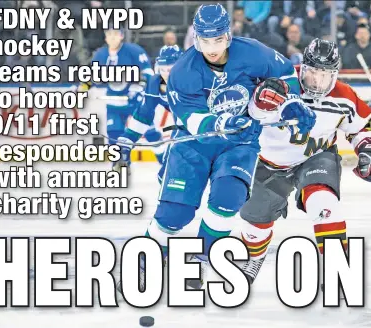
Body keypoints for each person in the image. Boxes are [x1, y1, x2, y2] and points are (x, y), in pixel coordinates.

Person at [119, 3, 316, 291]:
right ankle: (144, 259)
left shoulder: (252, 52)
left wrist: (292, 103)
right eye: (205, 41)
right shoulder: (183, 71)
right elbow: (191, 118)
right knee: (175, 214)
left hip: (239, 144)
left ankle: (198, 260)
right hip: (195, 146)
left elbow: (285, 73)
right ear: (196, 38)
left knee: (228, 198)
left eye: (218, 40)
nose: (212, 48)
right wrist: (221, 122)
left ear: (229, 35)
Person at [238, 38, 371, 287]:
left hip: (316, 158)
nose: (317, 81)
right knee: (256, 222)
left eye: (325, 76)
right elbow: (254, 111)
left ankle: (337, 267)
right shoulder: (283, 85)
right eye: (312, 72)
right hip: (268, 162)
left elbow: (365, 123)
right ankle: (254, 255)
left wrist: (369, 149)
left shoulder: (344, 96)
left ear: (335, 75)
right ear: (302, 68)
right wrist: (260, 102)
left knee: (324, 203)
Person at [113, 45, 184, 171]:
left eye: (171, 69)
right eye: (163, 70)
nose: (166, 75)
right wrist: (127, 142)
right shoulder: (154, 83)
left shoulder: (194, 82)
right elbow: (143, 116)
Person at [78, 28, 154, 143]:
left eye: (115, 34)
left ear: (121, 36)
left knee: (151, 134)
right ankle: (120, 160)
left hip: (135, 101)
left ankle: (165, 158)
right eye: (109, 34)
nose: (112, 37)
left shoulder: (134, 51)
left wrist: (139, 88)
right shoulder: (101, 55)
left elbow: (148, 73)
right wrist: (82, 88)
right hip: (114, 103)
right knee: (114, 134)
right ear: (105, 37)